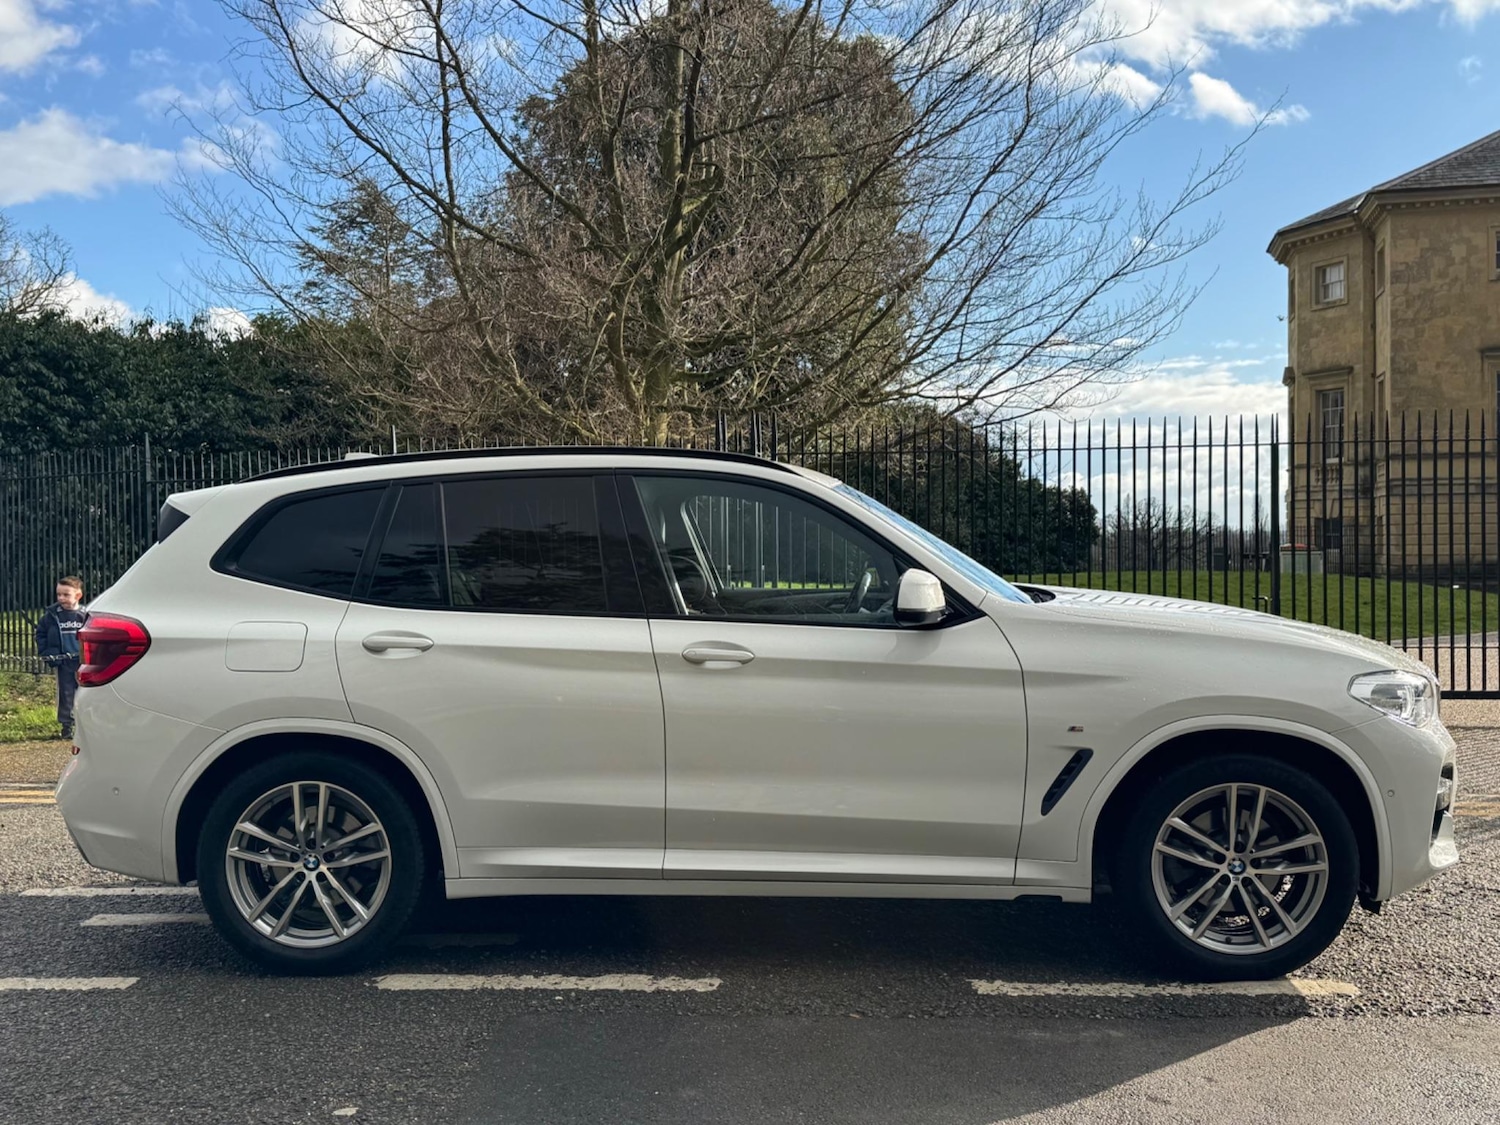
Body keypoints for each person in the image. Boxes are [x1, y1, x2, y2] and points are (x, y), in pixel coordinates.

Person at [35, 576, 88, 741]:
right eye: (59, 594)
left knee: (85, 693)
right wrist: (47, 651)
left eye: (66, 594)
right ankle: (67, 725)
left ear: (78, 595)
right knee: (65, 694)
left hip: (82, 662)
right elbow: (41, 634)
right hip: (63, 662)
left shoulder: (85, 615)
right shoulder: (52, 616)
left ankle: (86, 724)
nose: (61, 598)